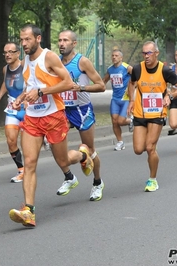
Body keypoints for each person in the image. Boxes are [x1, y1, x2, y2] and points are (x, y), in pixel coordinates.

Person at [8, 24, 94, 227]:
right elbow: (31, 85)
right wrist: (21, 97)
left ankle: (83, 155)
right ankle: (29, 210)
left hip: (54, 116)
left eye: (27, 39)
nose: (23, 44)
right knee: (29, 163)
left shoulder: (49, 57)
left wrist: (41, 93)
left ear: (38, 39)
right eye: (21, 40)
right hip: (33, 118)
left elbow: (67, 83)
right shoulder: (26, 60)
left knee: (63, 160)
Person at [127, 41, 177, 192]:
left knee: (149, 148)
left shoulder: (165, 70)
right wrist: (132, 100)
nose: (146, 56)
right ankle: (151, 146)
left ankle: (152, 180)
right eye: (144, 53)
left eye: (149, 53)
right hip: (140, 113)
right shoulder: (137, 68)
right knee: (138, 149)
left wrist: (170, 96)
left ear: (156, 53)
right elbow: (132, 83)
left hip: (157, 113)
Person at [57, 30, 105, 201]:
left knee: (90, 150)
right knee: (56, 146)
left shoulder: (82, 62)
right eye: (60, 40)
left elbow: (101, 85)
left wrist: (81, 88)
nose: (61, 43)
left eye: (65, 40)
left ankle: (97, 183)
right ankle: (69, 177)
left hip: (82, 110)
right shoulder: (56, 62)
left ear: (74, 43)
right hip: (64, 111)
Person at [0, 42, 25, 183]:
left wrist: (22, 98)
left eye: (11, 52)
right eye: (6, 52)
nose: (8, 55)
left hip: (27, 108)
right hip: (12, 108)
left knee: (28, 143)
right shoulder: (5, 69)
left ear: (18, 53)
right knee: (11, 140)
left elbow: (33, 84)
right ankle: (21, 170)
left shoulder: (25, 66)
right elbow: (6, 83)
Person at [103, 49, 133, 151]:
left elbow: (137, 77)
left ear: (121, 57)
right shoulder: (110, 69)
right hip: (115, 99)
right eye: (112, 55)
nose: (114, 57)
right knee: (114, 122)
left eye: (116, 55)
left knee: (120, 121)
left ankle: (131, 121)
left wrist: (132, 88)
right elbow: (104, 81)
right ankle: (120, 142)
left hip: (125, 98)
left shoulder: (127, 67)